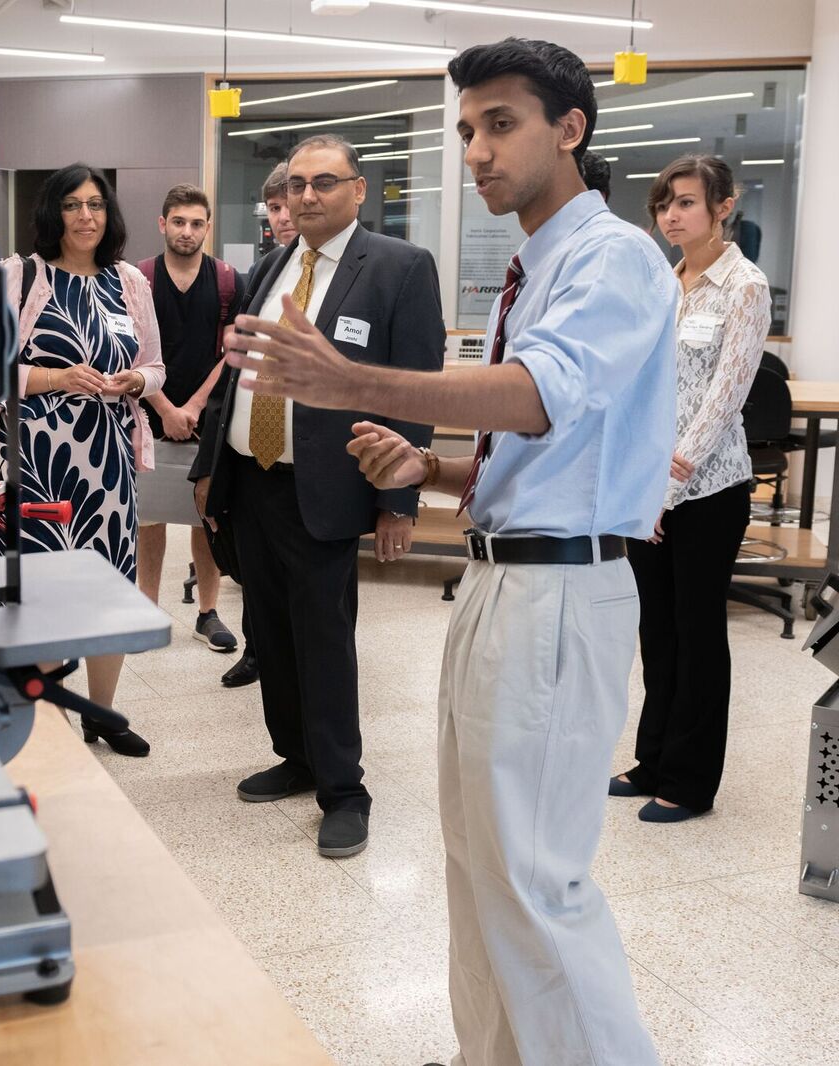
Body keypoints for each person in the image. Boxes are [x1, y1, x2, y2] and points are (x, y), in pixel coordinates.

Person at [224, 39, 674, 1065]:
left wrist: (356, 383)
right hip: (504, 575)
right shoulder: (540, 264)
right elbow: (549, 452)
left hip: (559, 593)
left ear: (571, 128)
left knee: (533, 880)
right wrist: (428, 473)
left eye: (500, 123)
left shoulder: (610, 257)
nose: (476, 149)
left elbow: (537, 395)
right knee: (478, 861)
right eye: (467, 128)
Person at [191, 133, 445, 858]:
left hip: (328, 488)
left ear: (359, 190)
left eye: (324, 183)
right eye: (297, 184)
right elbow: (237, 378)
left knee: (324, 640)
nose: (306, 196)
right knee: (270, 632)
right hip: (254, 481)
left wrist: (400, 500)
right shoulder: (269, 267)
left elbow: (416, 385)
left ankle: (344, 788)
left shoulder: (398, 268)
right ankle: (296, 758)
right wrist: (215, 472)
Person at [611, 156, 770, 823]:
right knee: (658, 631)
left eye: (684, 203)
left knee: (698, 632)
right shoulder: (663, 282)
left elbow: (723, 397)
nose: (669, 216)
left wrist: (665, 489)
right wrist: (635, 481)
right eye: (662, 205)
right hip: (649, 485)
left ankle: (691, 780)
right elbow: (643, 384)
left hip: (706, 489)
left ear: (722, 207)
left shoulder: (744, 286)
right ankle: (653, 758)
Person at [0, 163, 166, 757]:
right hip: (37, 460)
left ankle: (103, 715)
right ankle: (45, 725)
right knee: (41, 591)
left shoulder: (129, 283)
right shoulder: (20, 276)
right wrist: (55, 375)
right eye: (72, 205)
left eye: (95, 204)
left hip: (110, 463)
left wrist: (135, 383)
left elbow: (156, 364)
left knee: (110, 587)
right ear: (53, 213)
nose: (85, 216)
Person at [133, 185, 246, 653]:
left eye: (197, 223)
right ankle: (147, 610)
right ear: (162, 224)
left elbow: (233, 349)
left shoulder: (227, 281)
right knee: (148, 519)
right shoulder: (137, 279)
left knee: (206, 516)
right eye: (178, 221)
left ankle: (208, 612)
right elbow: (131, 348)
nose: (187, 231)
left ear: (207, 227)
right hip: (146, 412)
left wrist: (195, 407)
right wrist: (164, 408)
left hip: (207, 417)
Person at [219, 162, 299, 691]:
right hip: (254, 456)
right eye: (274, 207)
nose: (285, 215)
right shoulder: (265, 271)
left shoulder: (369, 268)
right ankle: (257, 648)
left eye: (289, 203)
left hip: (309, 461)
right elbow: (237, 372)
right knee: (255, 572)